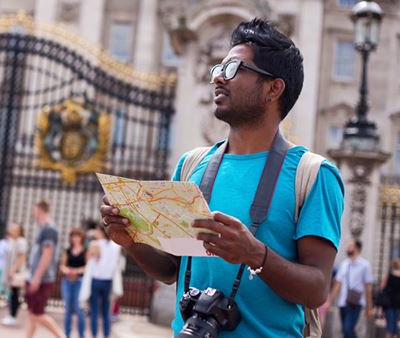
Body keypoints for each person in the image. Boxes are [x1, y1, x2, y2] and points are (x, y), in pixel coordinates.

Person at [100, 18, 345, 337]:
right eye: (219, 66)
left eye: (233, 69)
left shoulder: (313, 175)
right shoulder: (192, 165)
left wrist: (257, 254)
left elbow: (316, 289)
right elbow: (171, 269)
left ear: (273, 88)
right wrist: (130, 241)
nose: (217, 76)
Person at [25, 200, 66, 338]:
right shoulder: (43, 228)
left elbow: (47, 254)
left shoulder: (49, 229)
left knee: (37, 314)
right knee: (32, 314)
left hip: (42, 278)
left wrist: (36, 277)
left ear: (39, 209)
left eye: (34, 209)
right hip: (37, 277)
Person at [326, 240, 374, 338]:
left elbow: (368, 287)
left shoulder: (365, 265)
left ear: (357, 248)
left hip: (356, 303)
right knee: (345, 331)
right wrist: (329, 301)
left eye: (350, 246)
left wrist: (369, 307)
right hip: (343, 302)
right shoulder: (344, 264)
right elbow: (337, 284)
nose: (347, 248)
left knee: (348, 329)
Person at [86, 225, 121, 338]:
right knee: (106, 311)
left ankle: (94, 335)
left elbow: (88, 261)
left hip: (96, 280)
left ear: (101, 231)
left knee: (95, 310)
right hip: (108, 281)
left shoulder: (95, 244)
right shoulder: (115, 246)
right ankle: (106, 335)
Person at [59, 227, 87, 338]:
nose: (75, 238)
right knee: (67, 310)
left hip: (80, 282)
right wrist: (67, 271)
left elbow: (88, 266)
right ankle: (66, 334)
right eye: (73, 236)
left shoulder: (85, 251)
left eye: (77, 236)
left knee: (79, 309)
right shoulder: (68, 250)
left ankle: (81, 335)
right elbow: (62, 266)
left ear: (81, 238)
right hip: (67, 282)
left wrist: (76, 271)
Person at [0, 223, 28, 326]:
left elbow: (21, 257)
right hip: (10, 270)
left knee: (15, 293)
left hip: (16, 272)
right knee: (12, 293)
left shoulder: (21, 241)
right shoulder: (11, 241)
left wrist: (13, 270)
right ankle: (10, 314)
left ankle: (13, 315)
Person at [380, 258, 400, 338]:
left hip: (388, 303)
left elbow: (381, 287)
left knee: (390, 324)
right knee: (395, 323)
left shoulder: (389, 275)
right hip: (398, 303)